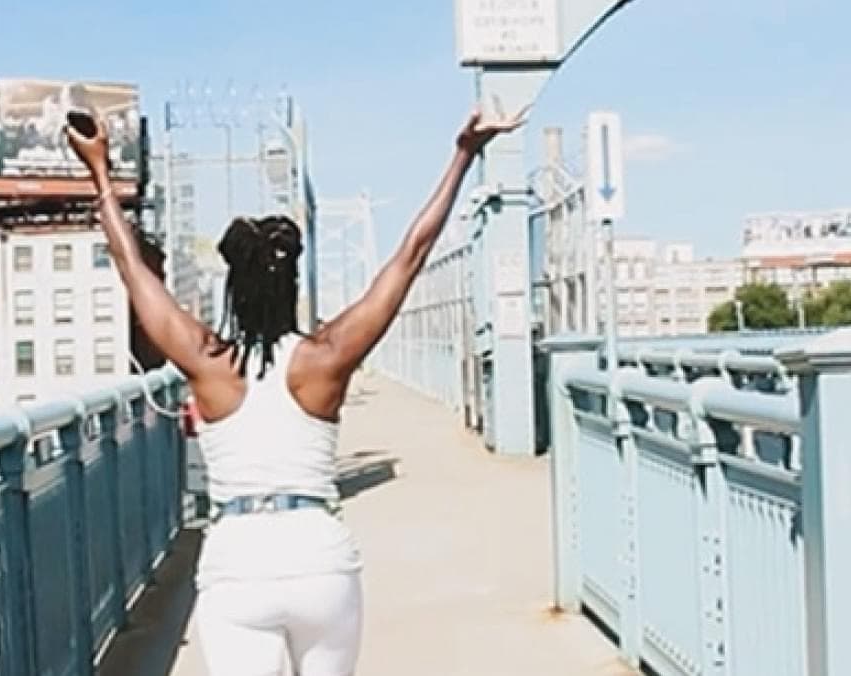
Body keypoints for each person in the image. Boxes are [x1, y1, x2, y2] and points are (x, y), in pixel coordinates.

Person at [64, 102, 526, 675]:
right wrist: (463, 154)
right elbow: (411, 255)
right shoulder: (326, 358)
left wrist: (100, 170)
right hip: (319, 559)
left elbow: (132, 269)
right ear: (290, 286)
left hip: (237, 563)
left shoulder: (208, 363)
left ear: (234, 288)